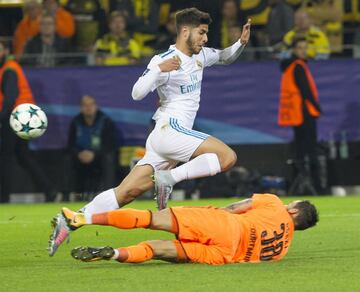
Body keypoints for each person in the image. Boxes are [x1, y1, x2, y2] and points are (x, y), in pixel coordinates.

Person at [48, 7, 251, 256]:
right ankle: (170, 179)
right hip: (170, 130)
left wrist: (240, 43)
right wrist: (158, 70)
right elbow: (136, 93)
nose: (205, 38)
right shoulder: (163, 59)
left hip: (165, 139)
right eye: (201, 33)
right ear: (185, 31)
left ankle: (71, 219)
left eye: (206, 33)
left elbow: (225, 57)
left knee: (126, 193)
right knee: (227, 157)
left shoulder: (200, 56)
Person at [63, 193, 318, 265]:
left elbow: (236, 207)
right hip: (225, 256)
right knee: (157, 250)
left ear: (293, 211)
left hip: (225, 225)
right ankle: (115, 254)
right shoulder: (282, 250)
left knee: (152, 218)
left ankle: (82, 219)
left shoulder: (274, 204)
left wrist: (211, 215)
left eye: (291, 204)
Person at [0, 39, 57, 203]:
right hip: (23, 117)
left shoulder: (9, 70)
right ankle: (49, 190)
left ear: (5, 51)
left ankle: (4, 197)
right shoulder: (8, 68)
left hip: (16, 118)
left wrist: (2, 118)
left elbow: (10, 98)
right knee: (22, 156)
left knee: (5, 157)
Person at [278, 38, 322, 195]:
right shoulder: (298, 66)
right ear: (295, 50)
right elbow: (306, 91)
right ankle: (317, 187)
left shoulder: (290, 67)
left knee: (300, 150)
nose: (303, 50)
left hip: (297, 115)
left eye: (305, 47)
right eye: (300, 47)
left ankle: (297, 185)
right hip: (304, 113)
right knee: (310, 151)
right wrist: (317, 107)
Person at [66, 95, 118, 197]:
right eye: (85, 105)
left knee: (108, 158)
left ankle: (109, 195)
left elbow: (110, 145)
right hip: (80, 157)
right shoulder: (76, 122)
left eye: (91, 105)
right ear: (81, 108)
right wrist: (79, 154)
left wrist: (94, 154)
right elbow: (71, 145)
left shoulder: (105, 121)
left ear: (96, 106)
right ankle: (68, 195)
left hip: (99, 157)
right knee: (67, 159)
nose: (88, 108)